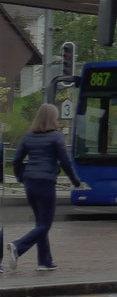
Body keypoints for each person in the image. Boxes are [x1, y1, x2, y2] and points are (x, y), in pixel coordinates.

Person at [5, 103, 82, 273]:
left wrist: (20, 177)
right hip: (46, 182)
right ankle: (18, 246)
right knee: (45, 225)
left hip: (30, 183)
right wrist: (75, 181)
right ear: (52, 118)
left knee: (40, 223)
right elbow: (65, 162)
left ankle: (44, 261)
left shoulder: (28, 136)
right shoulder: (56, 137)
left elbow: (16, 160)